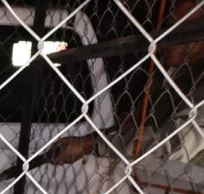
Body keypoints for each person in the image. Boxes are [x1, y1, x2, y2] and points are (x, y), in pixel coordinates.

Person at [49, 0, 204, 167]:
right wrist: (134, 121)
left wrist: (89, 144)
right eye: (171, 26)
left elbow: (171, 147)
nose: (172, 36)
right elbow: (145, 122)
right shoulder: (169, 70)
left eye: (186, 28)